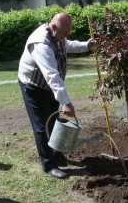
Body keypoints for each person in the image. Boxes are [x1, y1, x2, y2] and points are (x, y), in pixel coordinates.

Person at [18, 12, 96, 179]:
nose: (65, 37)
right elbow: (52, 76)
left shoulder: (58, 34)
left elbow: (67, 45)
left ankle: (57, 154)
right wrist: (66, 102)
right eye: (64, 34)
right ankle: (48, 164)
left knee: (54, 122)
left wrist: (86, 46)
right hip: (33, 86)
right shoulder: (41, 44)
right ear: (53, 27)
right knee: (41, 126)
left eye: (67, 34)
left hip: (48, 86)